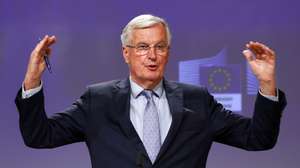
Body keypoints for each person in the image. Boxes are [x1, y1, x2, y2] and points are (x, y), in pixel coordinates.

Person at [15, 14, 287, 168]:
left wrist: (265, 84)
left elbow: (258, 139)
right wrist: (32, 81)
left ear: (168, 53)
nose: (152, 56)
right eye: (143, 47)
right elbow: (40, 136)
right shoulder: (97, 101)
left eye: (160, 47)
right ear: (126, 53)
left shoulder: (197, 100)